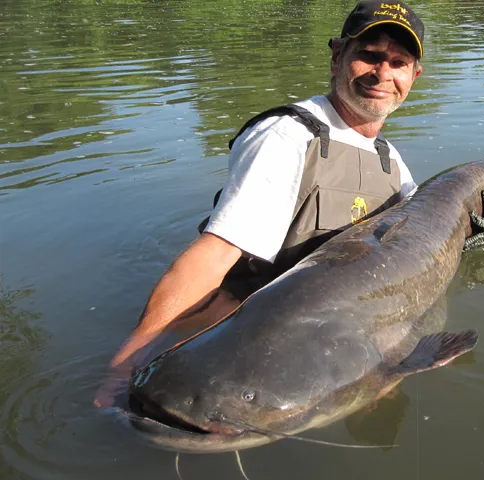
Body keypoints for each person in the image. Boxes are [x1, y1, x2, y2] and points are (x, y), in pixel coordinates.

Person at [94, 0, 425, 408]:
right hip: (247, 343)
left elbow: (416, 244)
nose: (383, 74)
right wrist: (127, 365)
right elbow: (216, 256)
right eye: (370, 56)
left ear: (414, 75)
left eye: (398, 62)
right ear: (338, 56)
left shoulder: (391, 162)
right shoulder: (287, 136)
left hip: (334, 335)